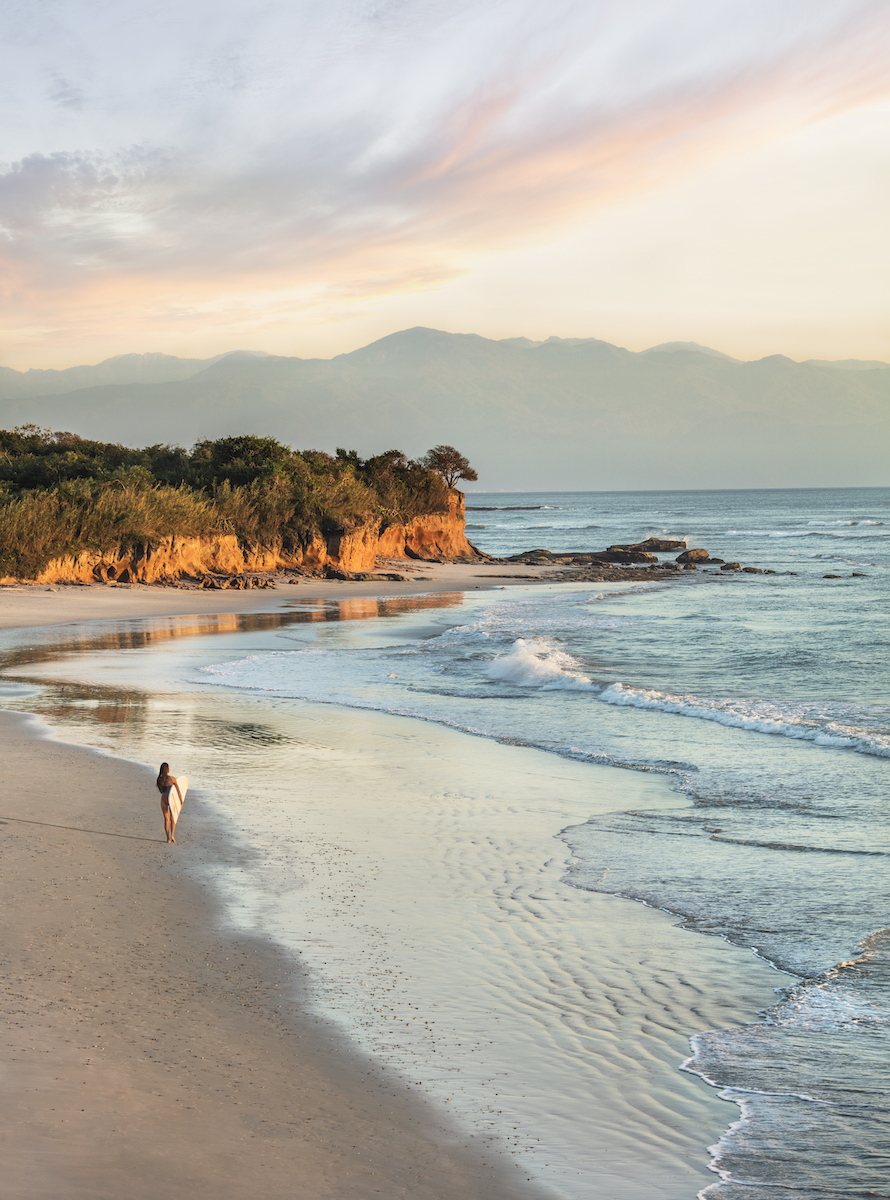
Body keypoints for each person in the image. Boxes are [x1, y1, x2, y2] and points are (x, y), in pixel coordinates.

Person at [156, 762, 184, 843]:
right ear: (168, 769)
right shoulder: (172, 779)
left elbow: (161, 791)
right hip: (171, 800)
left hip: (163, 799)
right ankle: (172, 836)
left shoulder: (159, 779)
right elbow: (178, 791)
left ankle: (168, 838)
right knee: (173, 818)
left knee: (166, 820)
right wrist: (181, 802)